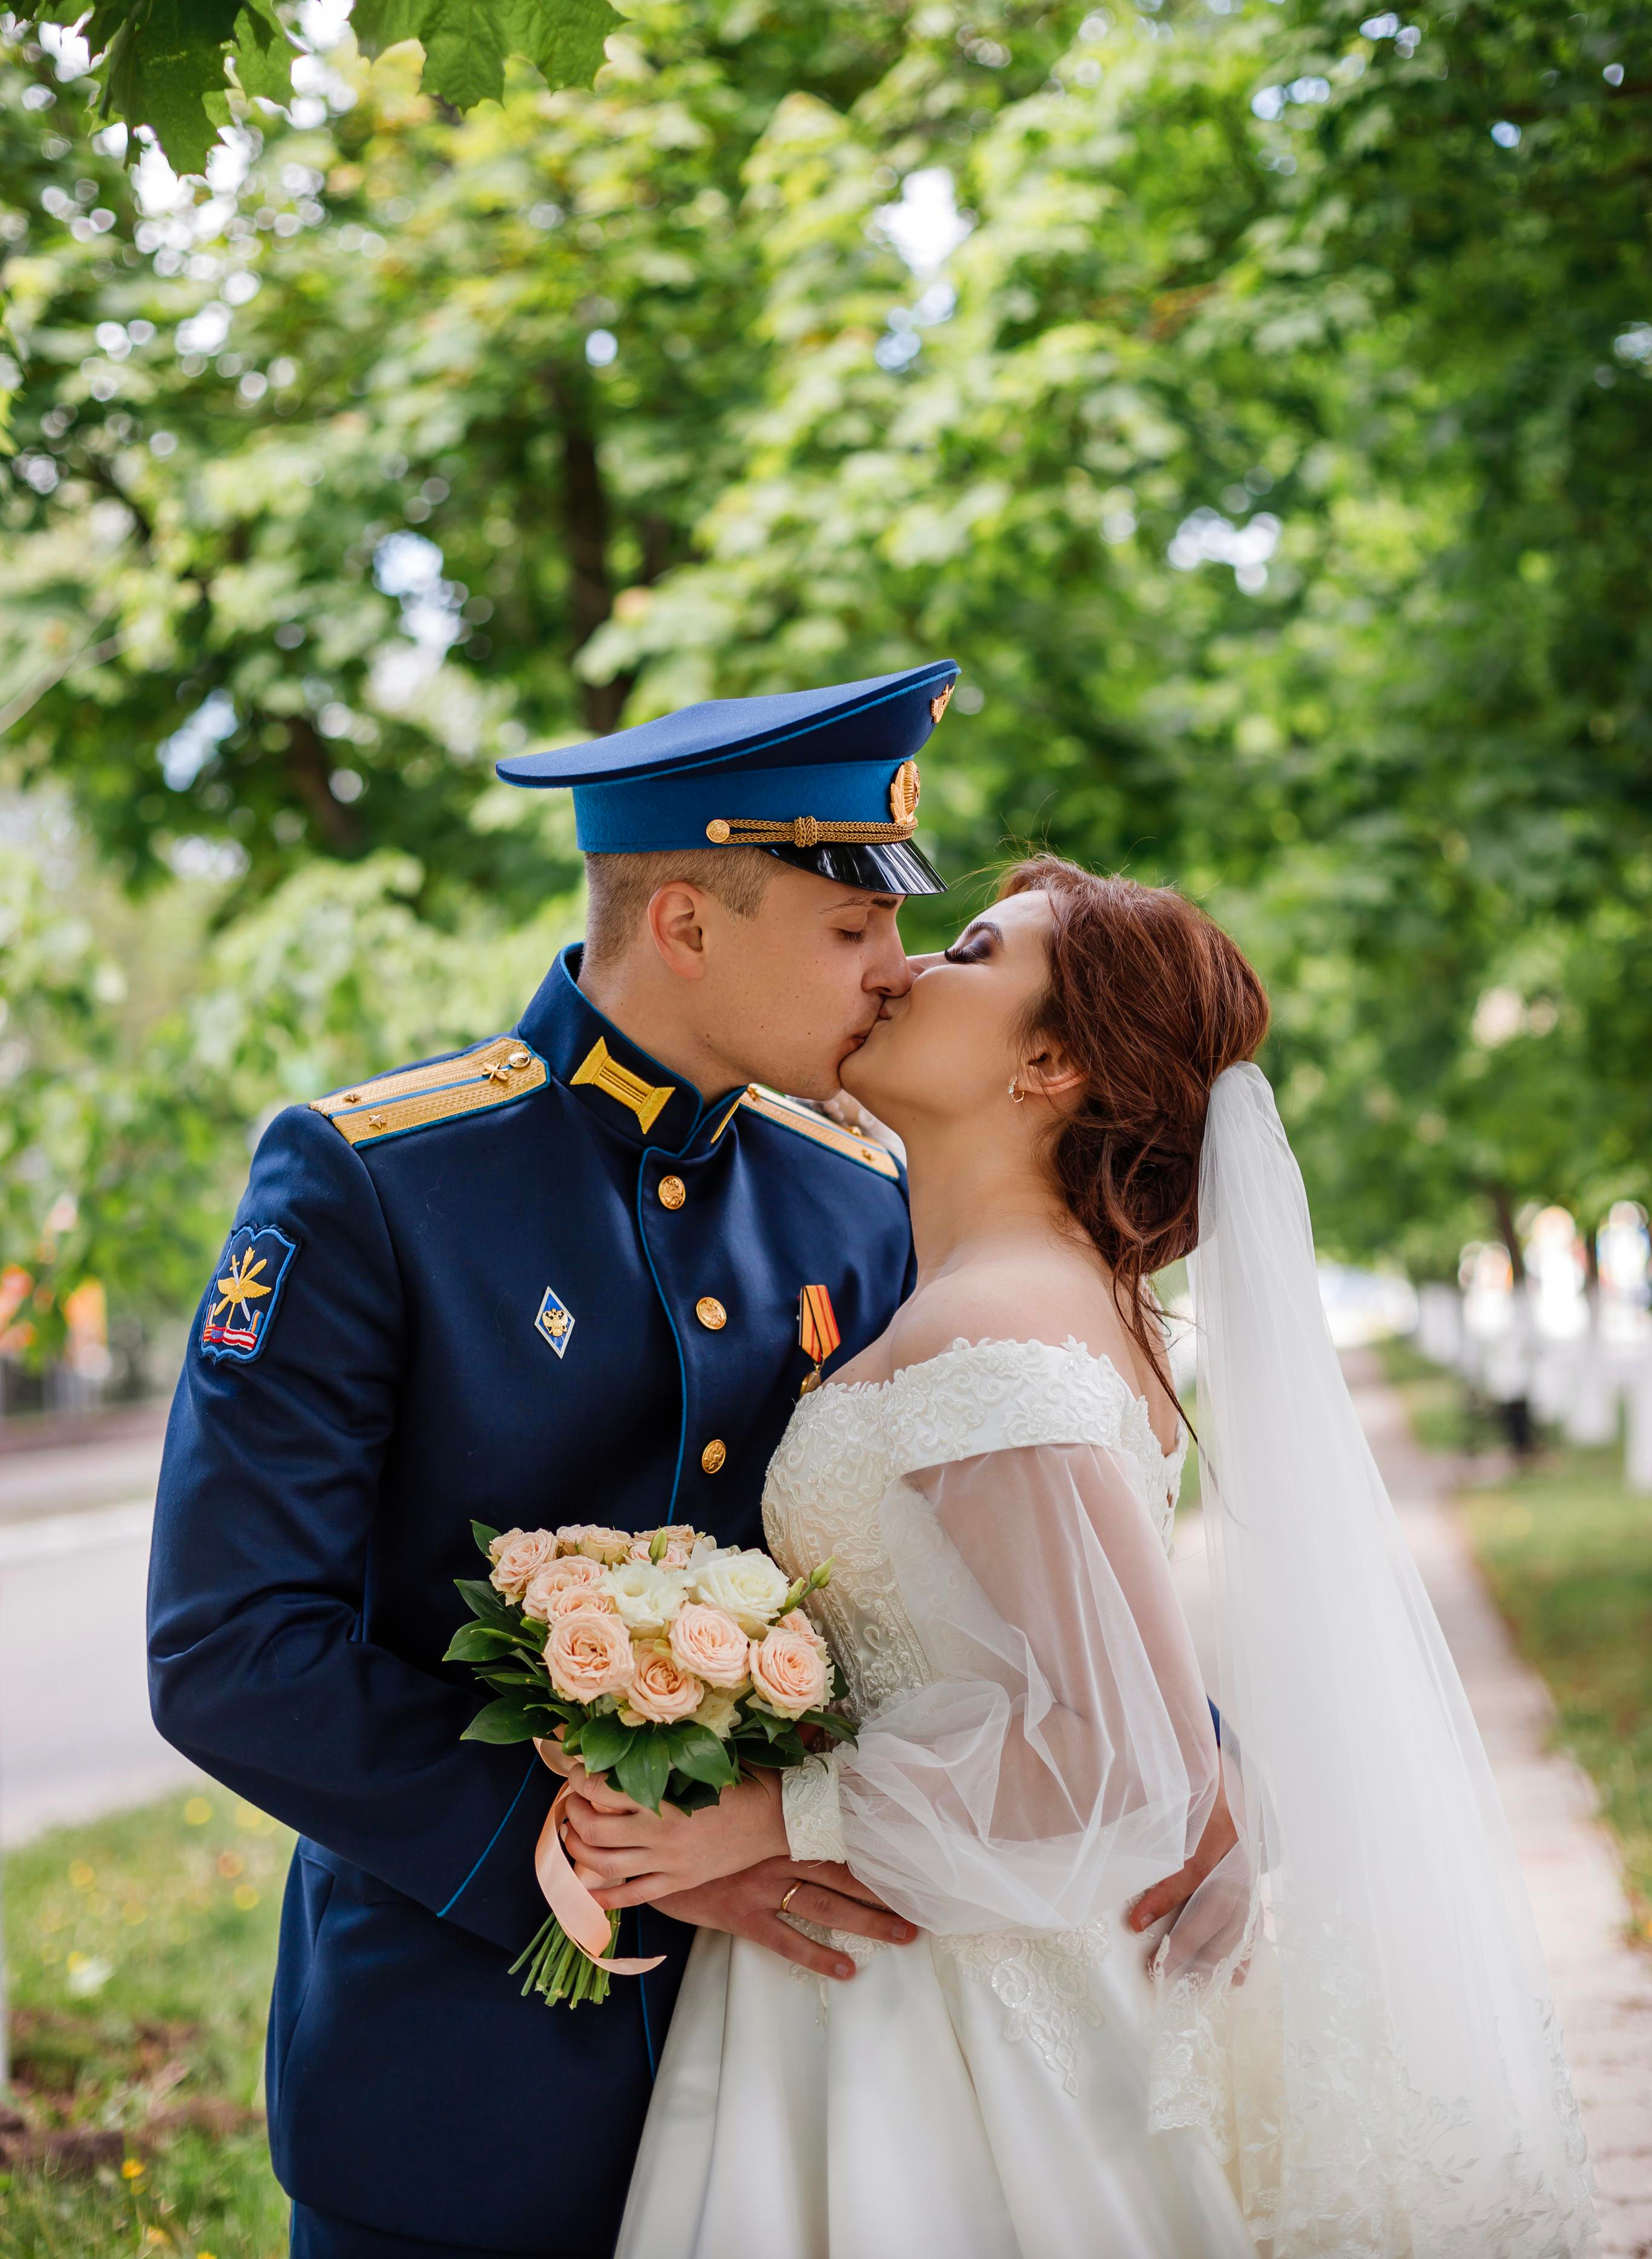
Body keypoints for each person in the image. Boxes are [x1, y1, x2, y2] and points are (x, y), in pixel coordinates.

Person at [567, 858, 1598, 2259]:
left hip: (956, 2015)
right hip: (956, 1945)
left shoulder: (994, 1336)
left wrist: (769, 1819)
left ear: (1047, 1060)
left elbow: (1118, 1758)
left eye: (972, 952)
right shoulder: (1032, 1300)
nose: (904, 967)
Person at [148, 660, 989, 2259]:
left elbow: (955, 1556)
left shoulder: (852, 1194)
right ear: (682, 922)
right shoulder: (374, 1183)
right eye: (847, 925)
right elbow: (232, 1648)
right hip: (454, 2081)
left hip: (806, 2072)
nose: (897, 966)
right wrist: (610, 1858)